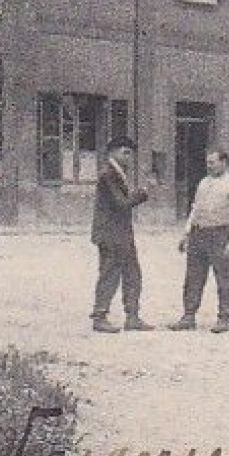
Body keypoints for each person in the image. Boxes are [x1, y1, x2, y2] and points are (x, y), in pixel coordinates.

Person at [170, 148, 229, 334]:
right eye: (208, 162)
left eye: (212, 162)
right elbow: (195, 210)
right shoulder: (203, 183)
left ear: (224, 162)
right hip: (199, 234)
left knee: (223, 277)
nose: (209, 166)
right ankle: (188, 315)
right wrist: (186, 233)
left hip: (220, 234)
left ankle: (224, 317)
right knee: (193, 277)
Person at [90, 135, 152, 333]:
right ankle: (99, 316)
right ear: (112, 153)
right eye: (125, 152)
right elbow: (121, 204)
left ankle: (132, 316)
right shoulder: (108, 174)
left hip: (121, 233)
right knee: (109, 273)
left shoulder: (118, 173)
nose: (128, 157)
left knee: (133, 273)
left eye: (130, 153)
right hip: (110, 234)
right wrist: (142, 194)